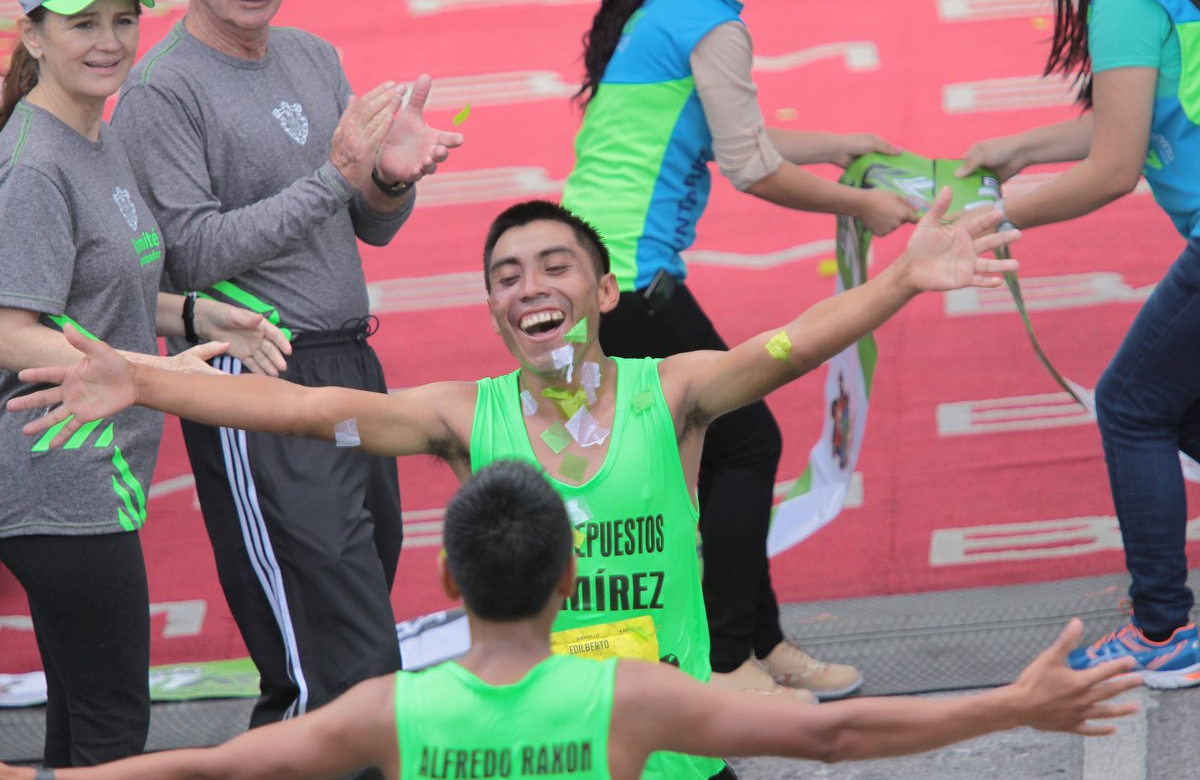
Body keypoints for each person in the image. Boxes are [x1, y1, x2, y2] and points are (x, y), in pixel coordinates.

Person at [12, 189, 1016, 778]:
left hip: (676, 751)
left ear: (604, 289)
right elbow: (313, 413)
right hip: (540, 754)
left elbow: (785, 346)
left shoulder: (672, 394)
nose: (532, 286)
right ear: (493, 308)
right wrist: (141, 377)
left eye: (555, 266)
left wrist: (903, 279)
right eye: (507, 275)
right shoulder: (465, 416)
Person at [0, 461, 1143, 780]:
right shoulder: (629, 697)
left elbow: (218, 771)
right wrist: (1015, 703)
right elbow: (835, 735)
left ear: (443, 586)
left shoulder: (386, 713)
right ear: (567, 582)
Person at [105, 0, 465, 741]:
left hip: (351, 364)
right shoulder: (160, 90)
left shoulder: (312, 55)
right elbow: (190, 253)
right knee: (324, 655)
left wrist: (389, 179)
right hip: (253, 375)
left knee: (359, 613)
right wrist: (335, 177)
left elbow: (368, 225)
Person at [561, 0, 919, 700]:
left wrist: (837, 147)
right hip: (626, 281)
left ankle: (759, 644)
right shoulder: (706, 22)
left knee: (729, 447)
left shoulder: (668, 4)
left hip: (598, 276)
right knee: (745, 445)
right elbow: (752, 167)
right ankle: (730, 664)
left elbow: (731, 134)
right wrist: (863, 204)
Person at [0, 0, 292, 767]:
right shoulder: (33, 167)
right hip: (56, 474)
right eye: (83, 24)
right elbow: (10, 331)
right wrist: (147, 374)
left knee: (83, 720)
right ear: (32, 38)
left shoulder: (100, 134)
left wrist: (197, 316)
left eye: (123, 20)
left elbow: (95, 292)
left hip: (90, 468)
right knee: (113, 730)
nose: (109, 41)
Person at [955, 0, 1200, 687]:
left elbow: (1115, 168)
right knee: (1178, 408)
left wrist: (991, 223)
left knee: (1131, 405)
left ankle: (1162, 630)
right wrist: (1023, 149)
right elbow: (1142, 115)